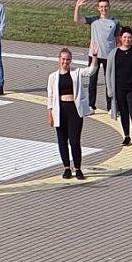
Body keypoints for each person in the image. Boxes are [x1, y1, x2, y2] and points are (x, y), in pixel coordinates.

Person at [46, 47, 101, 180]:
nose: (65, 62)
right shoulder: (53, 77)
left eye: (68, 59)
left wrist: (94, 56)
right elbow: (50, 96)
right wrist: (50, 114)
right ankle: (66, 167)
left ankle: (77, 168)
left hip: (74, 110)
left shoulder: (75, 73)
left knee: (75, 140)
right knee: (62, 140)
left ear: (71, 60)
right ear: (59, 60)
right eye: (63, 59)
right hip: (60, 109)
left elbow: (90, 71)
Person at [72, 0, 120, 111]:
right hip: (94, 55)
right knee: (92, 81)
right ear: (98, 8)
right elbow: (77, 19)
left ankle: (111, 107)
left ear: (109, 7)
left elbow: (118, 39)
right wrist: (77, 6)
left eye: (106, 6)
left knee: (110, 82)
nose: (104, 9)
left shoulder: (115, 22)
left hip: (109, 56)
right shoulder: (94, 20)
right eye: (101, 7)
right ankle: (91, 105)